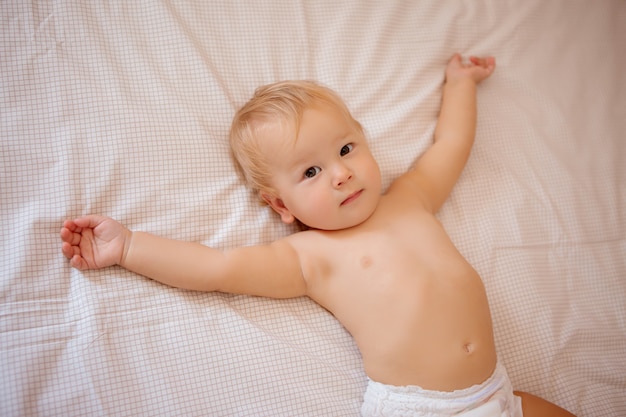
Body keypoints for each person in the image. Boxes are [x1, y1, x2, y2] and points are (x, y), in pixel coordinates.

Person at [61, 54, 575, 417]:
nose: (340, 174)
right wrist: (128, 247)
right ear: (281, 206)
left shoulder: (411, 198)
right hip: (423, 409)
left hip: (498, 396)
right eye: (310, 172)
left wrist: (460, 83)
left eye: (347, 149)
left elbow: (453, 143)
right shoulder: (310, 257)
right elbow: (214, 269)